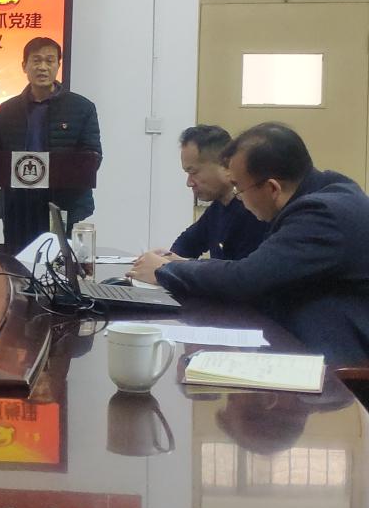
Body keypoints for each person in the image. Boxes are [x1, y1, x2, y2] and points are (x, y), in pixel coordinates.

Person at [130, 122, 369, 364]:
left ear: (272, 188)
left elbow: (244, 279)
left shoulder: (320, 215)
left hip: (341, 368)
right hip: (308, 347)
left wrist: (165, 270)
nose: (237, 197)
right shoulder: (326, 194)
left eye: (238, 188)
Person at [0, 36, 102, 252]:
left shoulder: (82, 107)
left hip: (64, 205)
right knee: (17, 263)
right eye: (36, 60)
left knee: (59, 264)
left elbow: (93, 156)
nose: (42, 67)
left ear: (58, 65)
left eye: (49, 61)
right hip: (18, 206)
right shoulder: (7, 109)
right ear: (24, 66)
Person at [143, 125, 267, 261]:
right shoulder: (218, 208)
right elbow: (187, 244)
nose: (189, 183)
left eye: (193, 172)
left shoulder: (254, 213)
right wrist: (165, 260)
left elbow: (238, 271)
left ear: (224, 164)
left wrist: (178, 264)